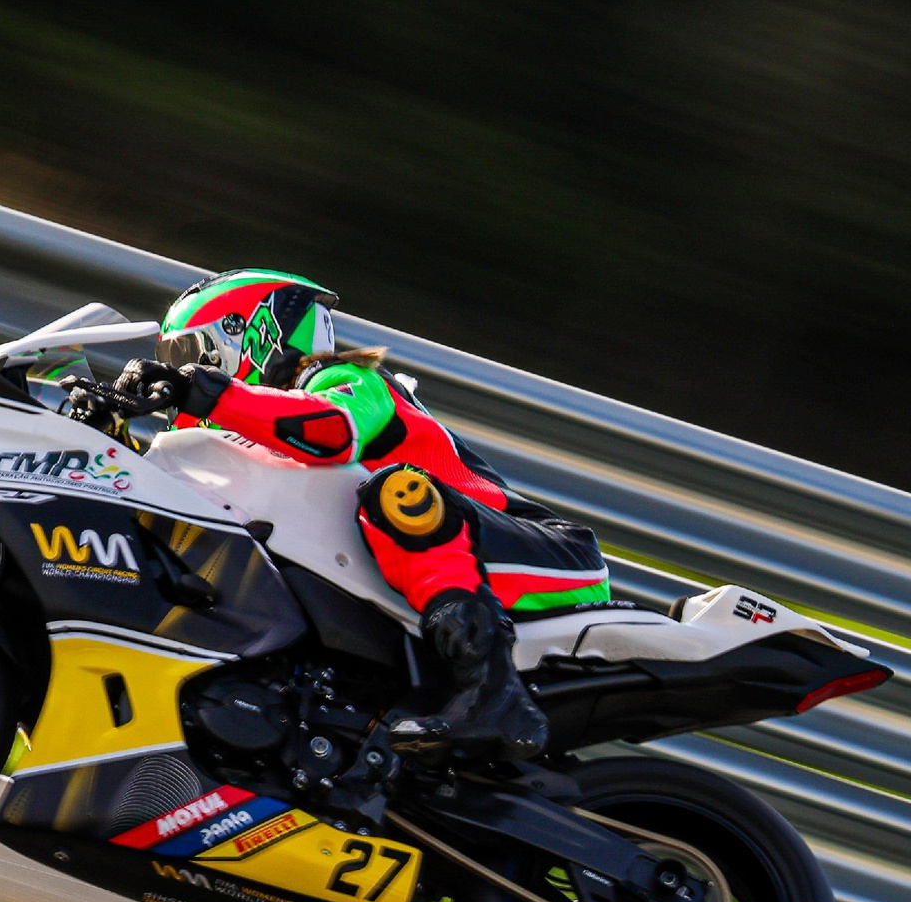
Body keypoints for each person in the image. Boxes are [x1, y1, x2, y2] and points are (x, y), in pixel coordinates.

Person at [111, 269, 609, 760]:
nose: (182, 367)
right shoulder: (250, 431)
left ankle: (495, 695)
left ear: (252, 331)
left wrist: (206, 391)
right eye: (172, 360)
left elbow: (331, 432)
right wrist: (109, 439)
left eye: (190, 353)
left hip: (548, 553)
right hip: (446, 564)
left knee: (396, 493)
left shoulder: (346, 378)